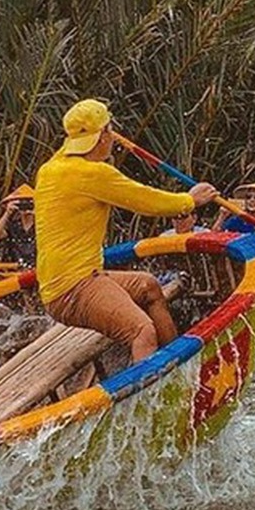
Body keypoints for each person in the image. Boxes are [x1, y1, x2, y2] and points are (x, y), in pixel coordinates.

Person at [35, 98, 217, 362]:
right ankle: (148, 397)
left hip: (73, 280)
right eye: (109, 131)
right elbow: (146, 200)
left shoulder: (51, 168)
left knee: (149, 287)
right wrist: (191, 200)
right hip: (75, 287)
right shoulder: (92, 174)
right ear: (102, 137)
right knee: (142, 331)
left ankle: (177, 361)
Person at [0, 184, 37, 266]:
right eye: (21, 204)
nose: (25, 207)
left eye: (29, 203)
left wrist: (38, 212)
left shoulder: (41, 226)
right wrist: (7, 213)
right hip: (16, 269)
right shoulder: (14, 227)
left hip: (37, 270)